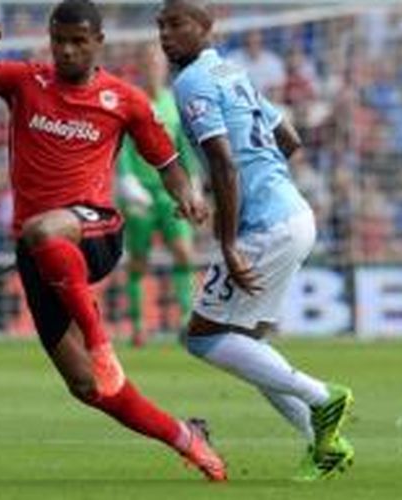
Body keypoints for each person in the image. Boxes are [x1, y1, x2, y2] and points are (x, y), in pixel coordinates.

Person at [0, 0, 226, 481]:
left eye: (78, 42)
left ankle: (101, 340)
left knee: (44, 228)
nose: (67, 51)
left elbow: (167, 161)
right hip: (40, 252)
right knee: (88, 387)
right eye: (59, 41)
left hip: (96, 230)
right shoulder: (25, 81)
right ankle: (187, 437)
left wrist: (187, 195)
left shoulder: (123, 99)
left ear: (98, 43)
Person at [156, 0, 354, 480]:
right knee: (246, 343)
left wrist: (227, 242)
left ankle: (323, 397)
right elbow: (287, 136)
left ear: (206, 26)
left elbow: (223, 163)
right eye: (160, 25)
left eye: (177, 24)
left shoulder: (192, 83)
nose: (165, 34)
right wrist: (260, 173)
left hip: (265, 225)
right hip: (294, 214)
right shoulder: (231, 72)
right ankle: (323, 444)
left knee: (202, 339)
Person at [117, 43, 200, 347]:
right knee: (139, 260)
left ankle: (187, 320)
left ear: (164, 68)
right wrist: (126, 179)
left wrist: (193, 187)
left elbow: (183, 149)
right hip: (139, 192)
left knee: (183, 252)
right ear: (141, 67)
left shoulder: (174, 104)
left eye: (157, 62)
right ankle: (138, 325)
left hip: (170, 190)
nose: (153, 67)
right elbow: (123, 145)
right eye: (148, 62)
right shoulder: (132, 101)